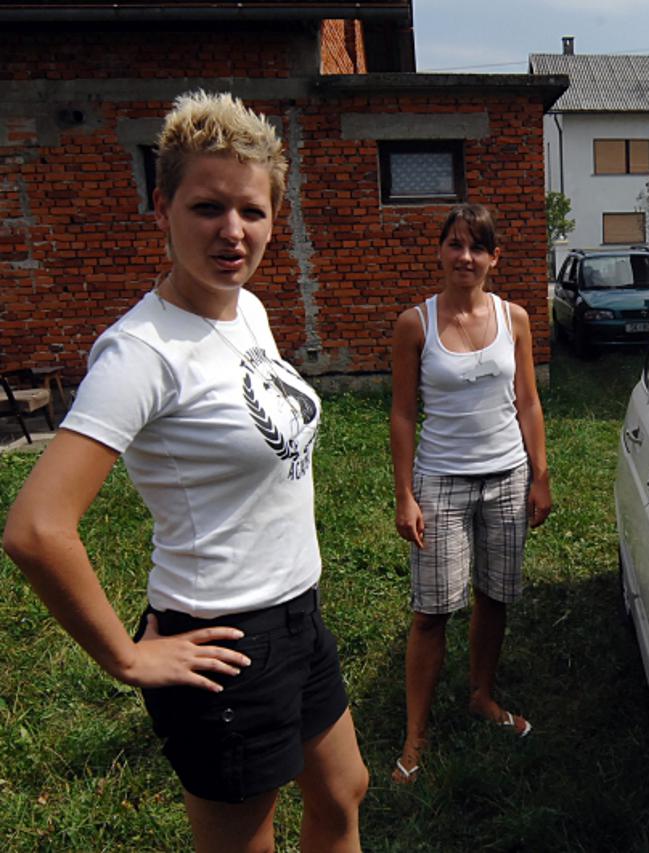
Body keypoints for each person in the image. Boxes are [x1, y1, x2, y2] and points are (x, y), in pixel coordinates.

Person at [2, 91, 367, 851]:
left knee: (343, 792)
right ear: (162, 206)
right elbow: (37, 527)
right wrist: (127, 656)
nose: (232, 232)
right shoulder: (141, 352)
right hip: (223, 640)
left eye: (252, 211)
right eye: (207, 207)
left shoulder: (247, 310)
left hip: (299, 613)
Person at [389, 203, 551, 784]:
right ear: (440, 252)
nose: (465, 257)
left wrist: (540, 474)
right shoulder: (417, 324)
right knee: (432, 612)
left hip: (507, 476)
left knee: (495, 596)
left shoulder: (516, 318)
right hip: (441, 483)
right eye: (455, 245)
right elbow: (404, 414)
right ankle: (415, 733)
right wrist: (406, 495)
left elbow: (528, 401)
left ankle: (481, 696)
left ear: (493, 258)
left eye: (477, 247)